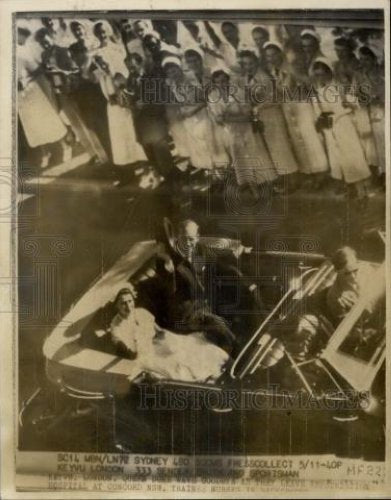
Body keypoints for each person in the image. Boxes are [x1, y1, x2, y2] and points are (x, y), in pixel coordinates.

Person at [106, 287, 229, 382]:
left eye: (130, 301)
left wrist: (169, 337)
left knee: (186, 348)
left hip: (158, 342)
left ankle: (217, 370)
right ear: (116, 305)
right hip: (144, 354)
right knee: (175, 364)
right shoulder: (116, 326)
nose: (128, 306)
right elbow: (125, 349)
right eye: (123, 303)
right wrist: (137, 345)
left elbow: (158, 329)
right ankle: (203, 378)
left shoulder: (141, 312)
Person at [263, 41, 329, 188]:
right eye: (268, 56)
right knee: (298, 142)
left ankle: (321, 173)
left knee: (310, 139)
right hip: (287, 108)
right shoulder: (274, 70)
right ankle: (310, 172)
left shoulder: (291, 67)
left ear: (280, 53)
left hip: (302, 106)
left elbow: (309, 83)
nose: (272, 58)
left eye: (274, 54)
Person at [310, 58, 372, 201]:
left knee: (351, 156)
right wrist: (320, 118)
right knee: (337, 157)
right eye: (317, 75)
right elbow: (318, 110)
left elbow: (351, 105)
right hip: (329, 126)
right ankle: (350, 187)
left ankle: (361, 190)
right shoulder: (319, 90)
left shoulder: (339, 87)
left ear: (329, 72)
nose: (320, 77)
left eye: (323, 74)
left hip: (343, 125)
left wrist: (336, 115)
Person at [239, 48, 299, 189]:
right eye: (245, 64)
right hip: (261, 116)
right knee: (272, 149)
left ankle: (293, 181)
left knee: (280, 147)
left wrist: (257, 107)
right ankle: (282, 179)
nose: (249, 67)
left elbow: (273, 98)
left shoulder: (263, 77)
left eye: (251, 63)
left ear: (256, 62)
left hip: (271, 114)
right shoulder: (247, 78)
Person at [92, 22, 146, 179]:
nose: (102, 34)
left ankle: (144, 161)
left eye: (104, 31)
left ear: (108, 31)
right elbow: (98, 77)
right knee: (119, 129)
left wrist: (123, 87)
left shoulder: (118, 48)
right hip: (110, 89)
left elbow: (127, 68)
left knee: (133, 126)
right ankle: (128, 164)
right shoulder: (96, 53)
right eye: (99, 32)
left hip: (124, 86)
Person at [17, 26, 69, 168]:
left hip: (31, 90)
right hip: (19, 97)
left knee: (48, 121)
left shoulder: (20, 52)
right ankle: (45, 154)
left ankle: (66, 147)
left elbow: (38, 70)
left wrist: (25, 80)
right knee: (32, 127)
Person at [123, 52, 178, 186]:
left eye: (133, 66)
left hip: (154, 121)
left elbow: (161, 98)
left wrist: (145, 103)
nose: (132, 69)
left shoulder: (152, 77)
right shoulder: (130, 81)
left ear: (140, 63)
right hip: (141, 123)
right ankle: (161, 176)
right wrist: (132, 104)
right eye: (129, 67)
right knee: (150, 152)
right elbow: (130, 101)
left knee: (162, 153)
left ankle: (173, 180)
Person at [163, 56, 216, 171]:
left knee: (208, 144)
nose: (173, 74)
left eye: (174, 70)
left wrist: (192, 110)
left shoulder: (191, 78)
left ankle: (219, 171)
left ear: (179, 68)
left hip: (201, 114)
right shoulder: (173, 85)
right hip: (189, 119)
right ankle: (210, 172)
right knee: (198, 147)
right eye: (169, 73)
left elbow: (205, 99)